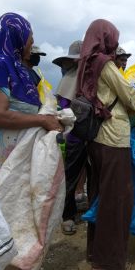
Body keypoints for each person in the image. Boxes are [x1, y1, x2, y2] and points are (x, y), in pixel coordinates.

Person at [77, 20, 135, 270]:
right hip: (113, 140)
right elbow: (129, 95)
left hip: (96, 139)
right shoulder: (104, 63)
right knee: (117, 201)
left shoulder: (86, 63)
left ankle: (94, 253)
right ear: (106, 38)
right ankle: (108, 261)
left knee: (99, 196)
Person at [0, 13, 63, 179]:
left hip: (13, 162)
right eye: (29, 38)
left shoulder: (15, 67)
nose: (31, 44)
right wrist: (43, 120)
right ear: (16, 37)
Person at [53, 40, 88, 235]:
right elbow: (65, 111)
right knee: (71, 177)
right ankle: (66, 215)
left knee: (89, 175)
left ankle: (82, 209)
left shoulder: (89, 80)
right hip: (74, 137)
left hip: (91, 136)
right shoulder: (68, 81)